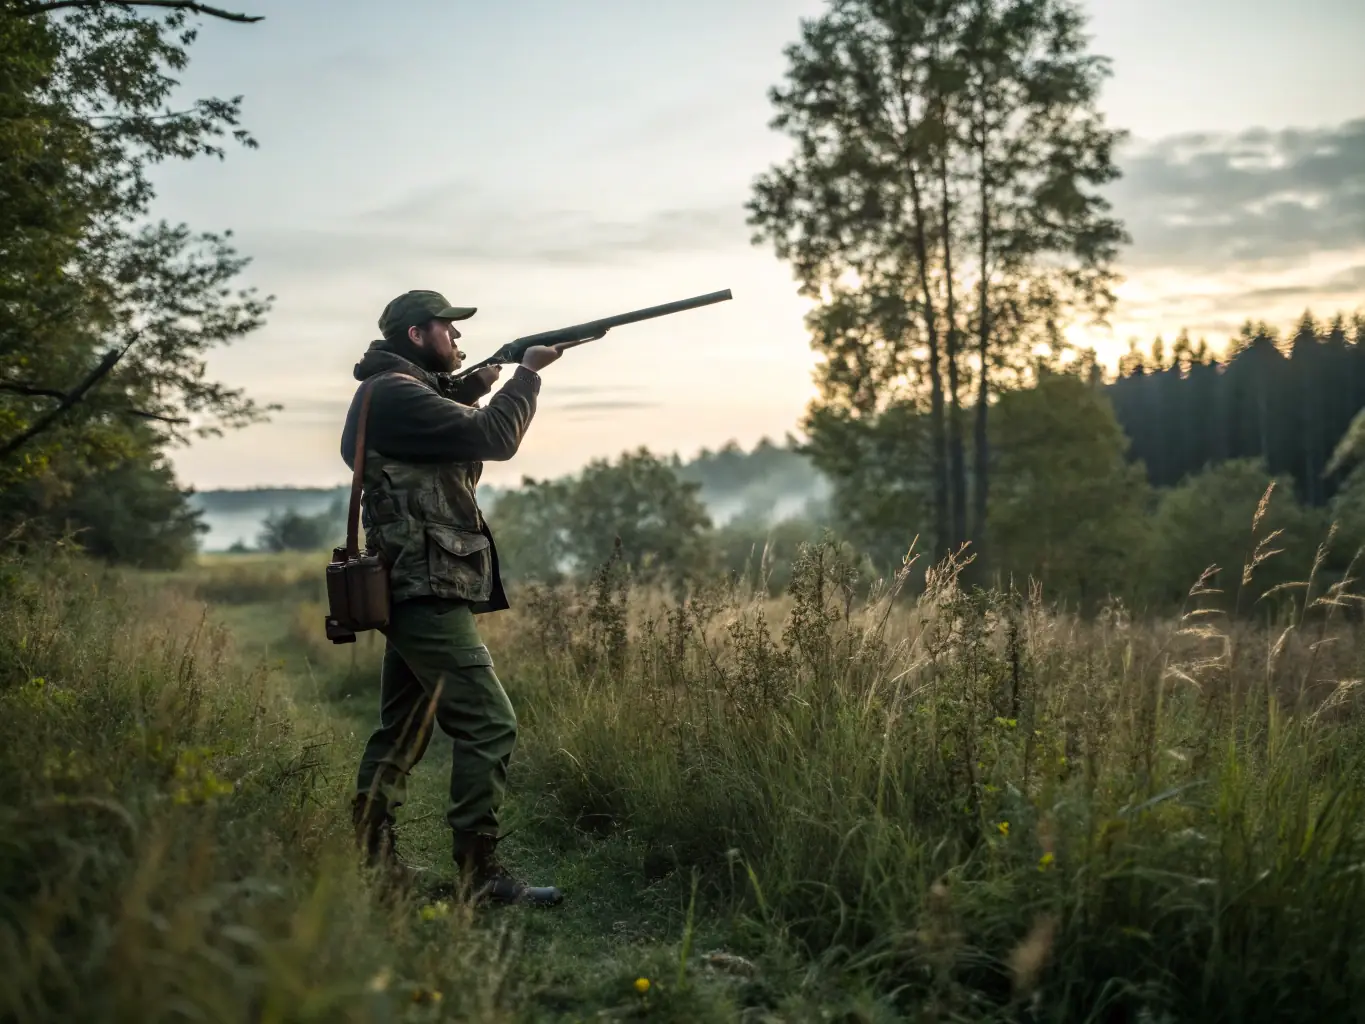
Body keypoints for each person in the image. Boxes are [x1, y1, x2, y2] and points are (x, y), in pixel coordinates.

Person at [339, 289, 565, 906]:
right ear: (416, 336)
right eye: (448, 330)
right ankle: (480, 876)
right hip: (425, 582)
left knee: (405, 725)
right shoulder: (396, 393)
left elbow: (437, 435)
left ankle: (374, 866)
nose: (458, 341)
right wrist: (526, 376)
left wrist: (468, 386)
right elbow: (495, 437)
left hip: (419, 579)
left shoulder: (397, 393)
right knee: (490, 723)